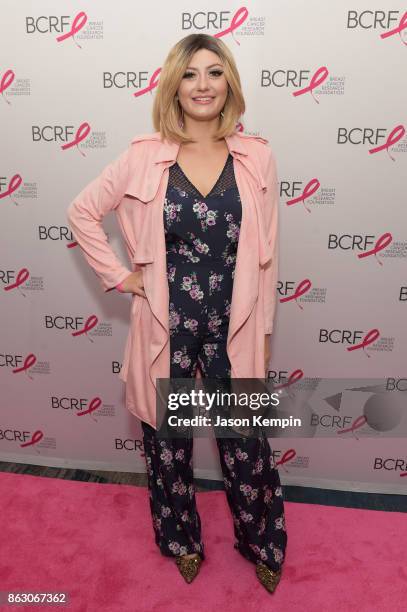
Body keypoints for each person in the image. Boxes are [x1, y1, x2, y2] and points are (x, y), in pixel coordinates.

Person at [67, 33, 287, 594]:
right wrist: (121, 276)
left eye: (214, 72)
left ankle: (262, 542)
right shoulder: (145, 155)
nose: (203, 85)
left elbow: (268, 258)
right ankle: (182, 539)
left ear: (229, 82)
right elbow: (82, 211)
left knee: (247, 442)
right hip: (167, 324)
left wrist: (262, 334)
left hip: (232, 323)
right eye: (190, 74)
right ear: (174, 85)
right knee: (167, 443)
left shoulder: (258, 155)